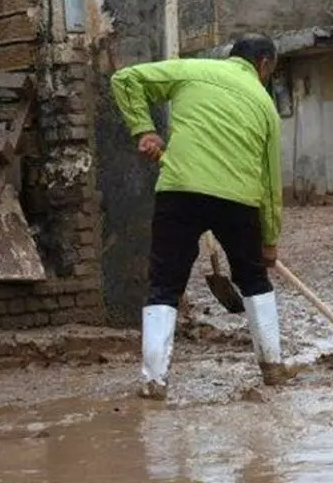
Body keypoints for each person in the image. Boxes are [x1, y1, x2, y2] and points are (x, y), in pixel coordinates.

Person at [110, 33, 292, 400]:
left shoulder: (192, 70)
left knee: (164, 283)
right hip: (239, 200)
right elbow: (272, 184)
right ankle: (272, 367)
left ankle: (154, 381)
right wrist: (269, 241)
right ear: (264, 64)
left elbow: (124, 79)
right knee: (254, 279)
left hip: (180, 190)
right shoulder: (265, 106)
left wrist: (143, 129)